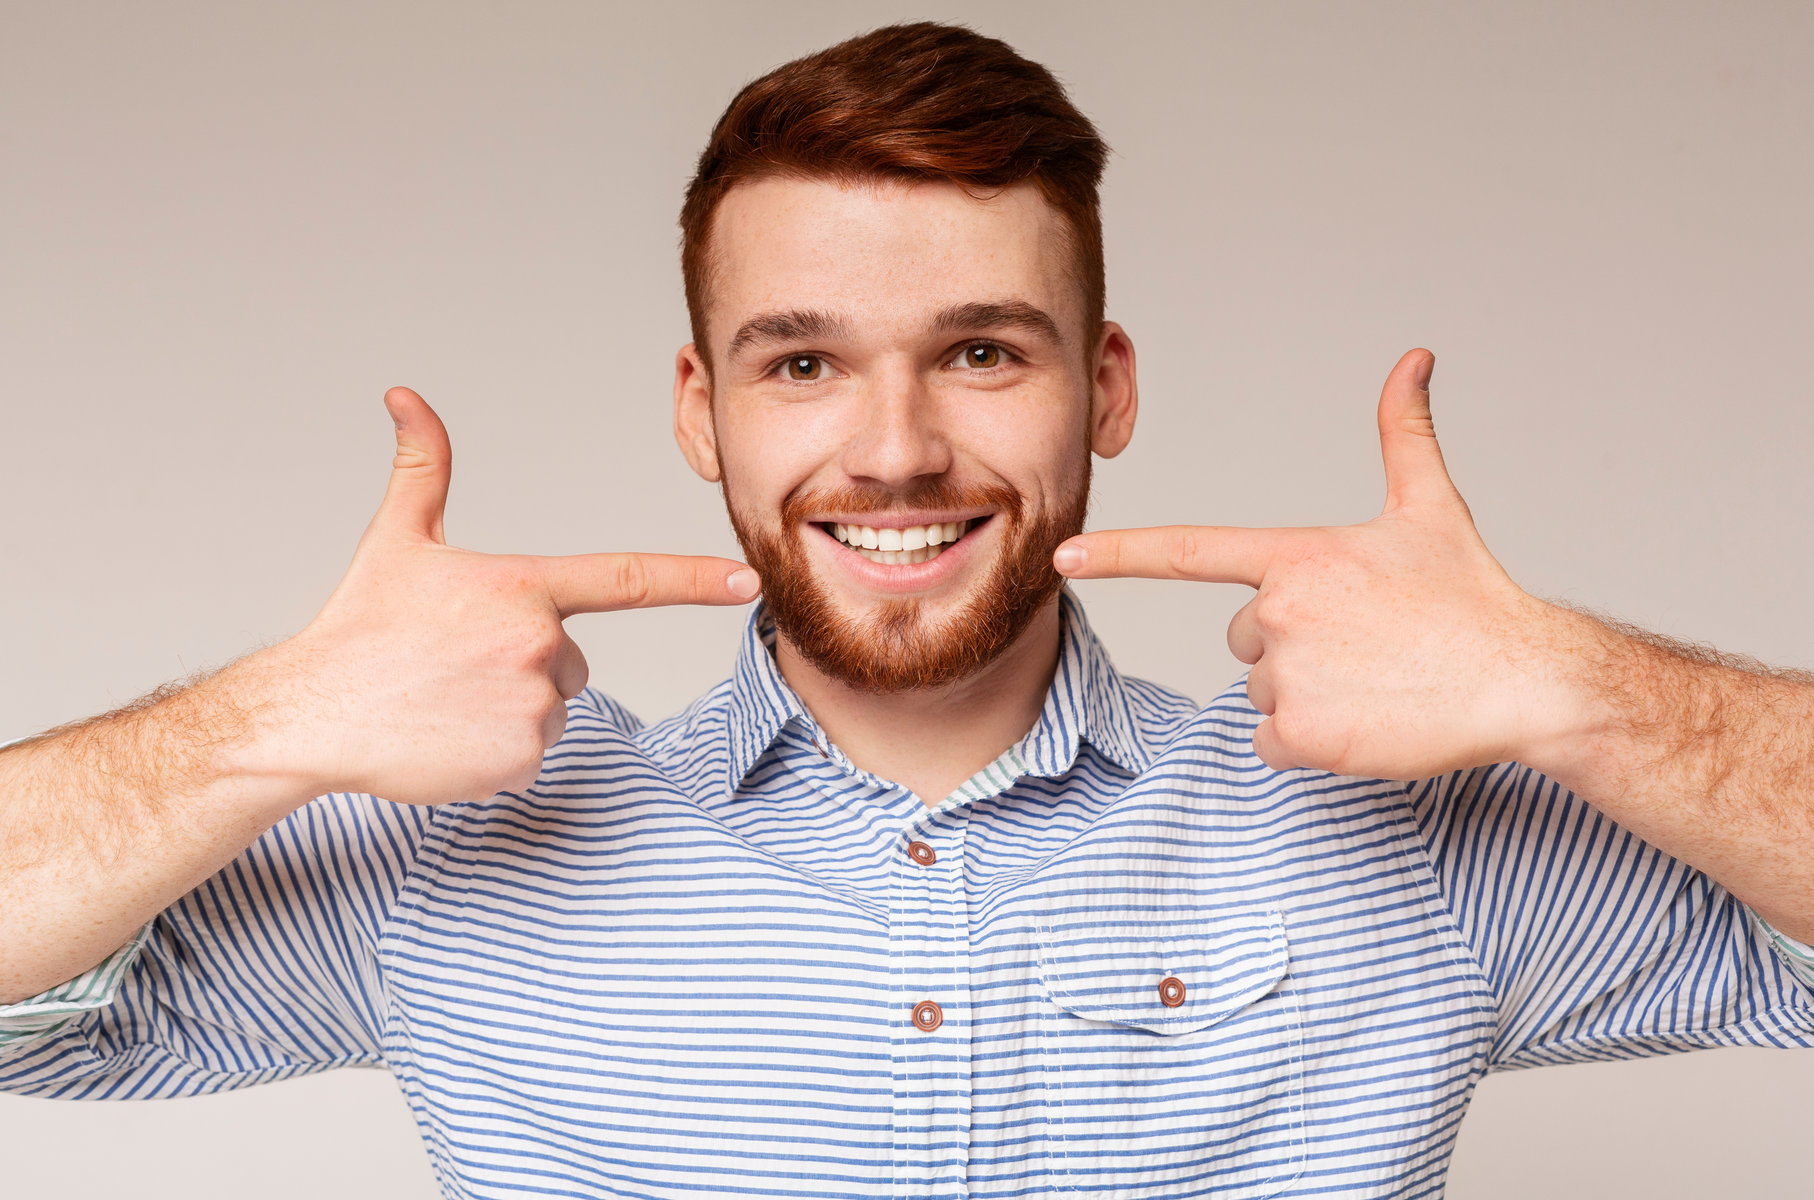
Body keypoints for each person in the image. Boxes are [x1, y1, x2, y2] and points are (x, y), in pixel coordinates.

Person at [3, 20, 1811, 1199]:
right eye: (801, 361)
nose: (895, 449)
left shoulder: (1388, 839)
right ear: (703, 406)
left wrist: (1578, 685)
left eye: (977, 351)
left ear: (1100, 388)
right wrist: (261, 726)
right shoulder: (461, 857)